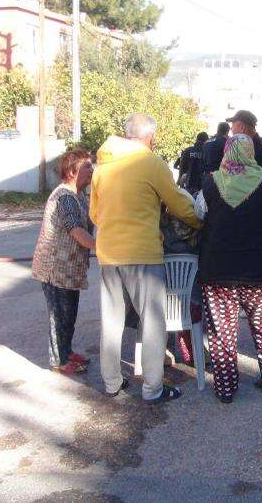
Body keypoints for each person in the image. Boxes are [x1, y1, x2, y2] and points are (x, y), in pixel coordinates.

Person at [90, 113, 201, 404]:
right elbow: (177, 203)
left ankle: (112, 383)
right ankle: (152, 388)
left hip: (108, 253)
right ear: (150, 136)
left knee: (111, 321)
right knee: (153, 321)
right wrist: (200, 223)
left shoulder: (103, 166)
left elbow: (94, 213)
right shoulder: (151, 162)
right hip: (142, 253)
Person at [195, 135, 262, 404]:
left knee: (222, 333)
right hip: (260, 271)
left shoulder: (209, 184)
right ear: (251, 153)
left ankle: (225, 389)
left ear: (226, 153)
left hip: (219, 270)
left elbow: (200, 215)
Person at [31, 149, 97, 375]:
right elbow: (76, 230)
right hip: (55, 269)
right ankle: (58, 360)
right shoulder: (65, 196)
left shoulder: (77, 195)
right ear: (72, 171)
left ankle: (66, 351)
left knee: (69, 314)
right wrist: (101, 247)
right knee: (59, 316)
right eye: (87, 166)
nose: (92, 170)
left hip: (68, 269)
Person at [204, 111, 262, 175]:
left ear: (242, 128)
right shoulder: (253, 147)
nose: (231, 129)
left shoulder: (257, 152)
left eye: (233, 125)